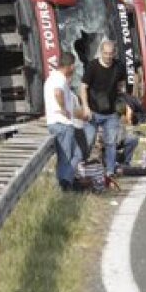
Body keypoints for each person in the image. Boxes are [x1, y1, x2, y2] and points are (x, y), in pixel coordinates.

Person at [81, 40, 128, 176]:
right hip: (93, 111)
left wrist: (123, 103)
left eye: (110, 54)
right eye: (105, 54)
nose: (108, 57)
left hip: (111, 112)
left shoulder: (119, 66)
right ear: (101, 52)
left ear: (114, 53)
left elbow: (122, 85)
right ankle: (80, 167)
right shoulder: (93, 66)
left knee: (111, 142)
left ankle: (110, 171)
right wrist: (85, 107)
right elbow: (83, 87)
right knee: (89, 141)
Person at [45, 53, 86, 190]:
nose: (74, 69)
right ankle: (64, 184)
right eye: (73, 66)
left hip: (57, 122)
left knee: (77, 154)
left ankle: (66, 180)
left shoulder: (52, 78)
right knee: (66, 157)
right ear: (70, 66)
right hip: (61, 123)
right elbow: (58, 93)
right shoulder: (59, 78)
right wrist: (63, 109)